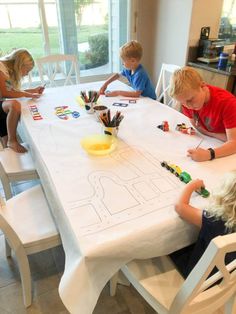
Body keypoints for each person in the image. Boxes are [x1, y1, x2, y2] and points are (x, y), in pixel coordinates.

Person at [170, 171, 236, 278]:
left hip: (199, 278)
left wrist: (191, 185)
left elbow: (180, 206)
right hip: (227, 276)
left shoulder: (214, 220)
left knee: (173, 247)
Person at [169, 66, 236, 162]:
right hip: (218, 142)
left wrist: (209, 154)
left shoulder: (228, 103)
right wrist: (215, 135)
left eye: (190, 100)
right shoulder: (187, 100)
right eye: (183, 103)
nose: (188, 106)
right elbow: (197, 126)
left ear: (203, 86)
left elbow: (234, 143)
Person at [0, 48, 44, 153]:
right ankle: (12, 140)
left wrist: (32, 90)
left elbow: (12, 91)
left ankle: (7, 145)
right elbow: (6, 94)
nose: (27, 74)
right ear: (20, 65)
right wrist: (27, 94)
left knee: (12, 106)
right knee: (14, 105)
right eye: (27, 71)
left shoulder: (6, 69)